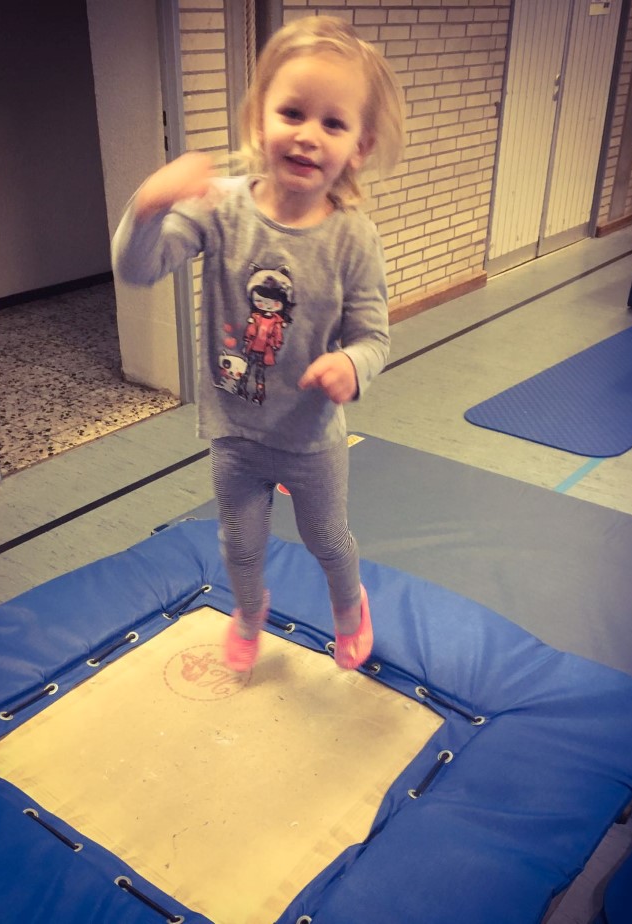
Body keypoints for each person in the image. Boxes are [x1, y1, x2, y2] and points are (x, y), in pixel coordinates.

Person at [112, 15, 405, 673]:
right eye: (292, 112)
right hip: (236, 429)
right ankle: (249, 612)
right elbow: (139, 268)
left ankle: (350, 608)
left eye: (333, 123)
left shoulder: (352, 238)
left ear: (359, 146)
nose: (307, 134)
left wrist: (351, 364)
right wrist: (148, 208)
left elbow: (373, 336)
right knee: (241, 544)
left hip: (310, 436)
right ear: (259, 117)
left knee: (327, 539)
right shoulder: (221, 208)